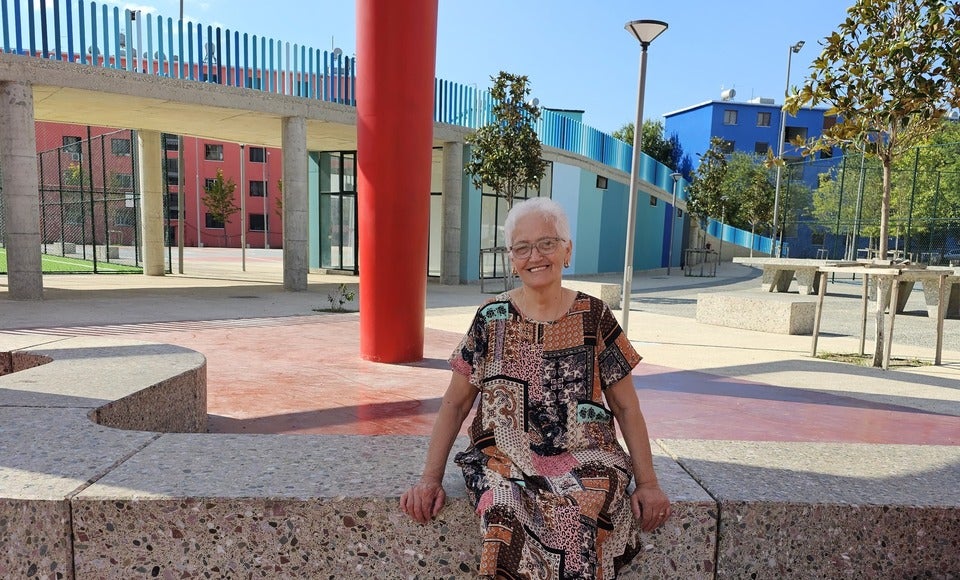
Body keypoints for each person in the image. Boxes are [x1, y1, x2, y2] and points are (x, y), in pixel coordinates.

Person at [400, 197, 670, 579]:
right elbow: (455, 404)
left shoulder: (595, 316)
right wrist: (429, 479)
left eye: (547, 243)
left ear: (567, 250)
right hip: (503, 459)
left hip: (587, 455)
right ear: (512, 258)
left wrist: (648, 483)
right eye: (522, 247)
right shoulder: (491, 318)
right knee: (503, 520)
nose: (535, 256)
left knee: (582, 514)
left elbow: (626, 408)